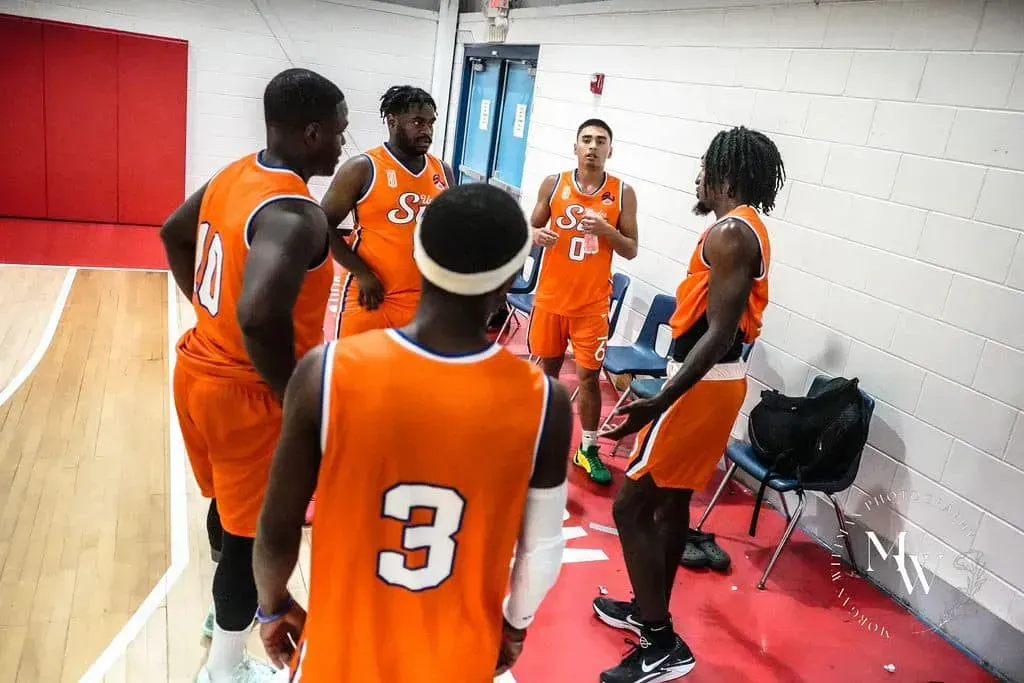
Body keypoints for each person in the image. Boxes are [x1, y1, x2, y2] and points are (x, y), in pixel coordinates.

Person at [252, 183, 572, 682]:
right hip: (458, 658)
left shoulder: (326, 372)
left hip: (340, 655)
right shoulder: (547, 403)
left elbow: (276, 525)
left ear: (417, 255)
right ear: (513, 275)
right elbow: (544, 549)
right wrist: (514, 626)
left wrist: (272, 606)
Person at [160, 67, 347, 683]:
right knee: (249, 541)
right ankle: (224, 668)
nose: (344, 144)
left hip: (198, 368)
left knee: (228, 513)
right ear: (312, 132)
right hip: (246, 392)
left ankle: (223, 618)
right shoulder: (297, 214)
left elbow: (173, 232)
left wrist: (206, 311)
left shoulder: (236, 172)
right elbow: (261, 315)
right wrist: (295, 396)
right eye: (339, 133)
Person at [593, 126, 785, 683]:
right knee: (671, 503)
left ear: (725, 172)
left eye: (703, 168)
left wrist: (657, 403)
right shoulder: (743, 229)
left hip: (703, 386)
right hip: (714, 383)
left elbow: (721, 332)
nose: (697, 177)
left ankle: (661, 642)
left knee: (629, 506)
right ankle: (649, 608)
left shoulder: (730, 234)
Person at [528, 118, 639, 486]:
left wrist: (608, 231)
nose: (593, 146)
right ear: (575, 146)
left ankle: (587, 448)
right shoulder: (553, 183)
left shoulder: (623, 192)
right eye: (586, 140)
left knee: (589, 379)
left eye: (600, 141)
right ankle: (542, 436)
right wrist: (536, 235)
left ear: (611, 149)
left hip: (592, 304)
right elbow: (530, 228)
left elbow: (632, 250)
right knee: (548, 372)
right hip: (551, 299)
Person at [321, 84, 456, 339]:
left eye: (431, 123)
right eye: (417, 122)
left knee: (406, 377)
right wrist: (362, 273)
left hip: (420, 298)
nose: (427, 131)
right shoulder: (362, 167)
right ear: (392, 122)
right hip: (370, 293)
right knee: (352, 374)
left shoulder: (443, 171)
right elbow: (321, 225)